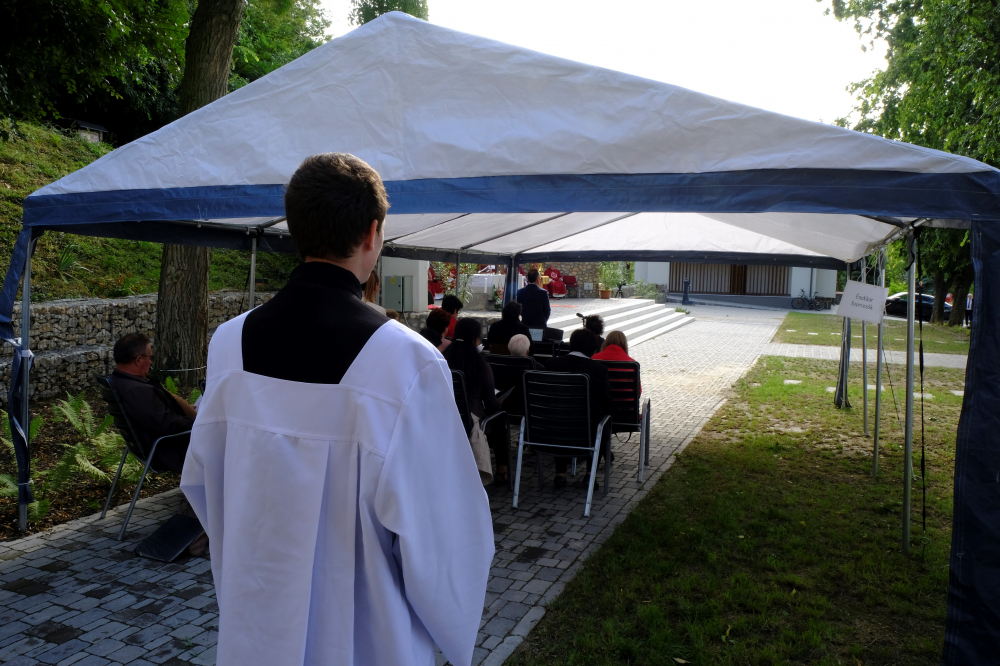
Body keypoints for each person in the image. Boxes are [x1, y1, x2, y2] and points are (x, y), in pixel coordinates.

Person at [180, 152, 493, 666]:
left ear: (296, 229)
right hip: (365, 636)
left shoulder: (229, 345)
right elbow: (444, 530)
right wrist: (452, 625)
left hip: (255, 625)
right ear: (372, 233)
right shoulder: (407, 362)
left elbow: (204, 483)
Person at [110, 333, 196, 473]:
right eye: (150, 358)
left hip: (156, 445)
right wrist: (197, 422)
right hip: (169, 450)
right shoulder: (136, 391)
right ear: (138, 360)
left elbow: (156, 417)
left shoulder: (119, 380)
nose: (151, 362)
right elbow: (167, 424)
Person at [543, 329, 613, 489]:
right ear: (594, 349)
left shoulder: (552, 364)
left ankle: (560, 474)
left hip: (552, 430)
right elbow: (607, 402)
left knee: (562, 412)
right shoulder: (599, 370)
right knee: (601, 422)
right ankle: (589, 474)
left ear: (570, 345)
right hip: (586, 432)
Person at [445, 318, 510, 487]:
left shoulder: (444, 358)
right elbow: (491, 403)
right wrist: (500, 402)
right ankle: (502, 470)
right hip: (470, 419)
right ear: (476, 339)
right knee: (500, 420)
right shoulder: (480, 364)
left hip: (445, 416)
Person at [592, 330, 642, 395]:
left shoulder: (593, 359)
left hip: (600, 401)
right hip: (626, 400)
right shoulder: (632, 364)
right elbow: (638, 392)